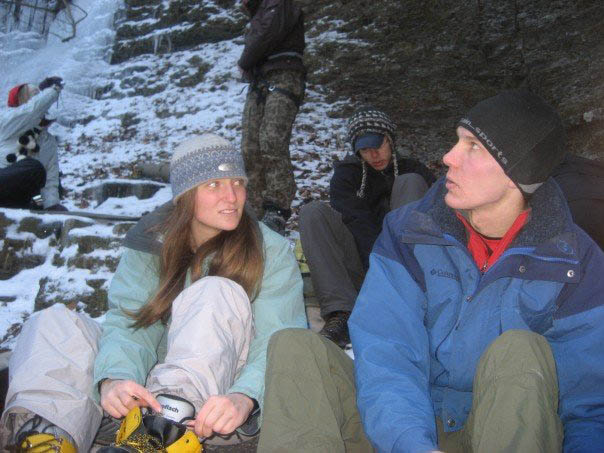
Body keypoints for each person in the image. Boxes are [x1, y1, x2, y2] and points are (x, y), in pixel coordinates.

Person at [256, 90, 604, 452]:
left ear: (518, 173)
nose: (448, 157)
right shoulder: (410, 231)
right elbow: (388, 353)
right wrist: (411, 443)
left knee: (518, 351)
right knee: (295, 348)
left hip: (498, 430)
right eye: (457, 141)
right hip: (402, 422)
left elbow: (590, 407)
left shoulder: (575, 264)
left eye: (473, 147)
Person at [0, 133, 306, 452]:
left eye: (237, 182)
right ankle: (51, 435)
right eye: (214, 184)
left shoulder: (267, 248)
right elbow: (132, 322)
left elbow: (280, 337)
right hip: (149, 387)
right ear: (185, 194)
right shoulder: (151, 241)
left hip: (219, 397)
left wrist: (245, 396)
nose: (232, 197)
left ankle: (161, 435)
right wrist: (114, 379)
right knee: (55, 322)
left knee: (215, 291)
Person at [299, 106, 435, 347]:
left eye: (378, 145)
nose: (373, 154)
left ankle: (411, 302)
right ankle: (342, 314)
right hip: (365, 265)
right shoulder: (347, 175)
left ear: (390, 139)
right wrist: (377, 268)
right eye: (364, 149)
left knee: (411, 184)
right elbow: (355, 222)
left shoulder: (414, 170)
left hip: (408, 270)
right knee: (313, 213)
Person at [238, 0, 306, 234]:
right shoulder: (259, 11)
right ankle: (253, 210)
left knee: (271, 140)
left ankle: (277, 207)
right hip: (260, 81)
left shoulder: (279, 3)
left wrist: (245, 60)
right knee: (249, 146)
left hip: (285, 75)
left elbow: (266, 36)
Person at [0, 77, 66, 211]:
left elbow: (50, 180)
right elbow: (32, 111)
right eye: (35, 96)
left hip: (18, 194)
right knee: (33, 168)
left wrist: (52, 206)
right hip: (3, 179)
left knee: (39, 198)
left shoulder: (48, 141)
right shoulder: (8, 120)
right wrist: (52, 91)